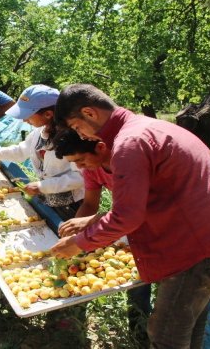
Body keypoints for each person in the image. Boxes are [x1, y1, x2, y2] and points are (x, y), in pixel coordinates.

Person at [50, 84, 210, 348]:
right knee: (188, 325)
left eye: (78, 128)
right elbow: (147, 199)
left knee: (166, 333)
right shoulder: (146, 127)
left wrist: (78, 243)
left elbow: (127, 216)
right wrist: (92, 221)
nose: (83, 136)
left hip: (199, 247)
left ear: (89, 113)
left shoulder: (130, 142)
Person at [53, 130, 152, 346]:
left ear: (99, 147)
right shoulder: (92, 168)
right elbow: (89, 203)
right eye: (73, 163)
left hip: (153, 225)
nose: (79, 167)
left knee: (142, 281)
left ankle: (141, 333)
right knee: (132, 273)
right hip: (127, 223)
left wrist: (90, 226)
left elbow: (138, 209)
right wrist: (76, 234)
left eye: (80, 160)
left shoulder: (126, 162)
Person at [0, 85, 84, 220]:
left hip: (71, 205)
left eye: (28, 115)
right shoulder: (39, 133)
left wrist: (42, 186)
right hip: (47, 198)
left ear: (48, 114)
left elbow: (81, 178)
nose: (24, 120)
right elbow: (20, 151)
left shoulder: (72, 139)